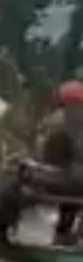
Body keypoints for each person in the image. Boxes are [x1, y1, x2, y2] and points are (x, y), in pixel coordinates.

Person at [42, 81, 83, 245]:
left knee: (71, 198)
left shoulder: (55, 118)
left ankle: (63, 233)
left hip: (54, 174)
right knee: (76, 186)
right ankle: (71, 233)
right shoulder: (71, 121)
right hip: (63, 176)